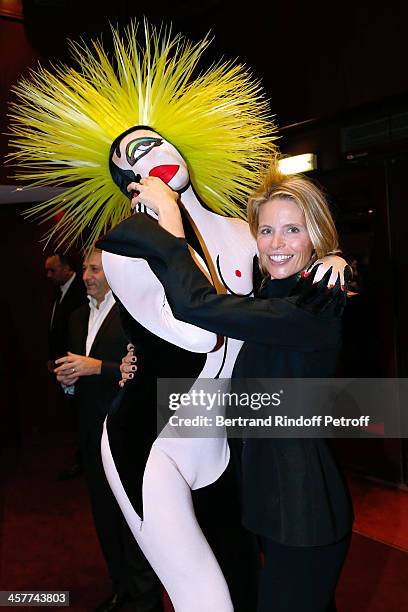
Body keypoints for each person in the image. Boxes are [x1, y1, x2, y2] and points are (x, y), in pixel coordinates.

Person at [9, 21, 349, 611]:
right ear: (126, 182)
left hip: (229, 439)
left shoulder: (246, 233)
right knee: (205, 601)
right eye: (132, 158)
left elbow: (289, 285)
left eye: (154, 143)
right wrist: (163, 221)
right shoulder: (123, 245)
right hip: (153, 436)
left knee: (247, 594)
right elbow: (196, 330)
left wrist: (335, 259)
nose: (151, 157)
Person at [99, 163, 354, 612]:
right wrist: (141, 370)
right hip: (269, 506)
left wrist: (170, 222)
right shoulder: (273, 296)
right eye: (267, 230)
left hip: (303, 513)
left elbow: (195, 305)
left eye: (293, 230)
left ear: (315, 234)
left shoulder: (314, 304)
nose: (276, 244)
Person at [54, 248, 163, 612]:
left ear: (113, 273)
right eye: (85, 268)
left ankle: (146, 598)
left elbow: (145, 374)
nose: (87, 275)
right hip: (88, 430)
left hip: (126, 433)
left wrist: (95, 367)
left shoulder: (133, 314)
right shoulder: (76, 317)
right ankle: (121, 589)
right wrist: (68, 379)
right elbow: (78, 370)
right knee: (103, 516)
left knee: (132, 518)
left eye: (95, 268)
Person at [45, 252, 87, 479]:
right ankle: (81, 457)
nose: (48, 275)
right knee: (73, 415)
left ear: (66, 268)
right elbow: (55, 329)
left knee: (81, 414)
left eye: (52, 269)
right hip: (62, 364)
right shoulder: (58, 293)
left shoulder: (81, 291)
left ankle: (84, 460)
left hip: (78, 365)